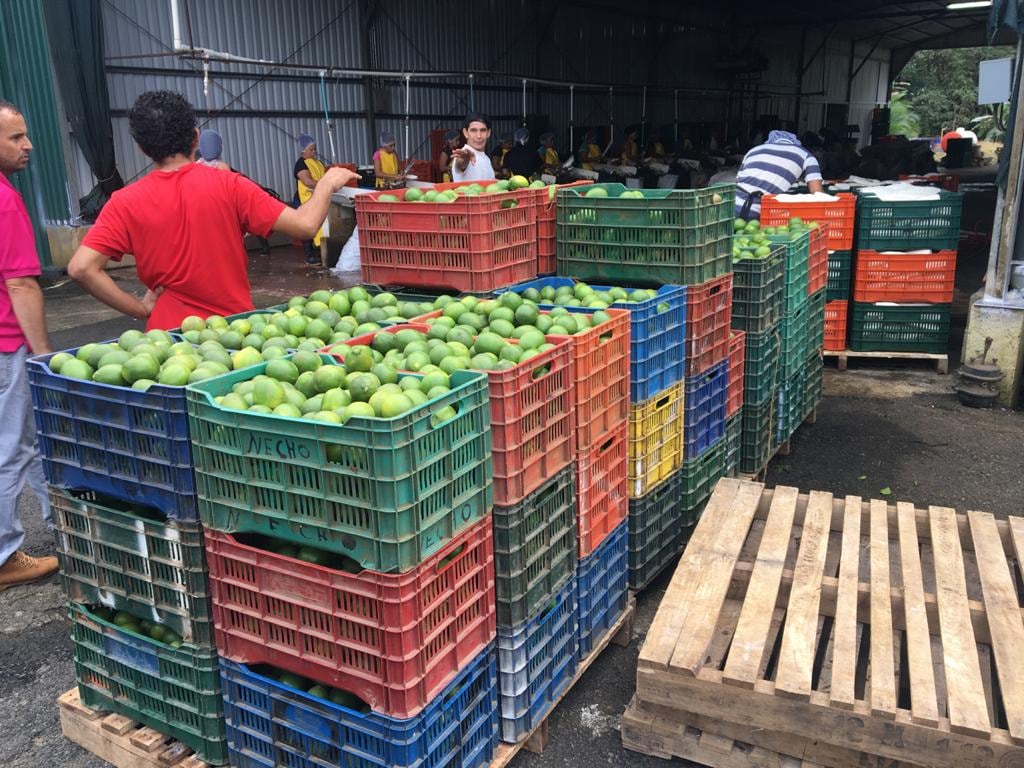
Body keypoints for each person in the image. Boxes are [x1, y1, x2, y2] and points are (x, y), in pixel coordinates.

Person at [68, 91, 358, 329]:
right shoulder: (230, 185)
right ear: (196, 138)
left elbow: (81, 268)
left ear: (142, 148)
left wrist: (140, 309)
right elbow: (305, 225)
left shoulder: (124, 202)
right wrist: (327, 183)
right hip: (232, 335)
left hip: (167, 345)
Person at [0, 99, 58, 591]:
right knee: (11, 449)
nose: (29, 145)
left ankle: (64, 523)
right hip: (7, 342)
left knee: (34, 442)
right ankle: (3, 556)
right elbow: (20, 283)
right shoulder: (5, 200)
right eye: (16, 137)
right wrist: (42, 354)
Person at [733, 130, 823, 220]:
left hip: (730, 206)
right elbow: (818, 194)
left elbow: (739, 180)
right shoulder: (806, 156)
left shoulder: (753, 150)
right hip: (755, 214)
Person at [294, 132, 327, 264]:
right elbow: (307, 181)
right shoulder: (300, 164)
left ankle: (321, 253)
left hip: (318, 199)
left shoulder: (318, 163)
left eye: (315, 149)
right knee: (306, 227)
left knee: (320, 226)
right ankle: (310, 256)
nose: (314, 152)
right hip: (303, 200)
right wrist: (326, 185)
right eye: (311, 149)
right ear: (303, 150)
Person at [451, 113, 495, 183]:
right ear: (465, 133)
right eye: (473, 130)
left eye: (483, 130)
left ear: (488, 133)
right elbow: (460, 163)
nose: (479, 136)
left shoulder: (486, 158)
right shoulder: (463, 154)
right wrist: (465, 159)